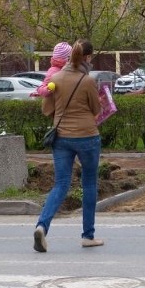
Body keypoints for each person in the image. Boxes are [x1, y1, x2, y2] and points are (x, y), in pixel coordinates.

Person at [33, 39, 103, 252]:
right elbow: (96, 109)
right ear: (87, 57)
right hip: (87, 137)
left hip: (61, 137)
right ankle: (87, 235)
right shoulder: (87, 80)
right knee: (89, 183)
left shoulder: (56, 78)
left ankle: (41, 227)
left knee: (61, 184)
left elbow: (47, 109)